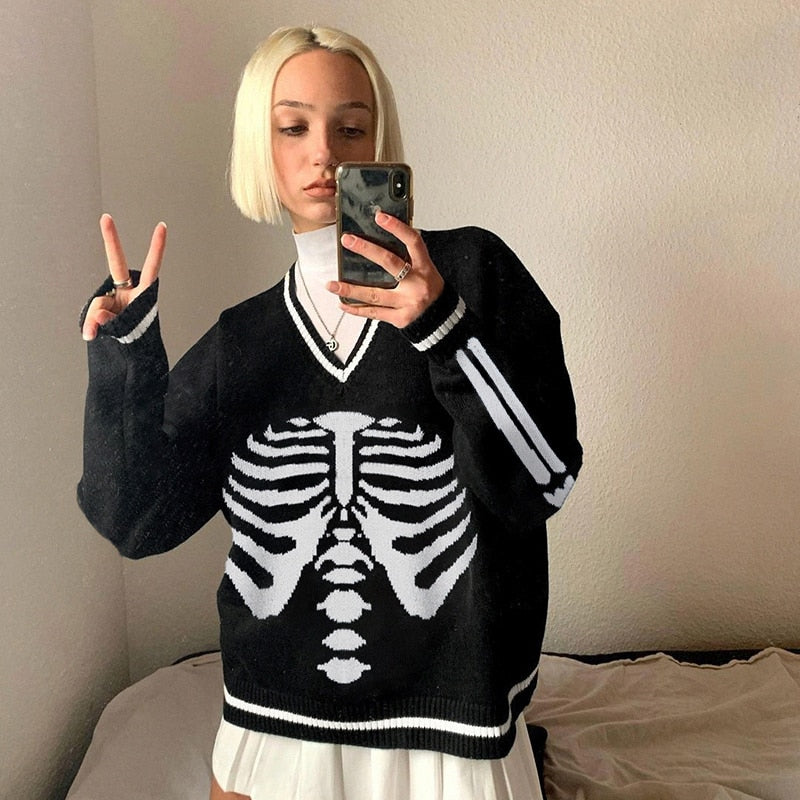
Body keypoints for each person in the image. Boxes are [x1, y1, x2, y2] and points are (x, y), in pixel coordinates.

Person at [78, 25, 582, 800]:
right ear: (262, 147)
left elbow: (542, 480)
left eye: (350, 128)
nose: (324, 153)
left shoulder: (472, 271)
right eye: (294, 128)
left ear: (380, 142)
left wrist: (443, 326)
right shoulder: (244, 341)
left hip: (453, 725)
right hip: (274, 721)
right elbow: (135, 518)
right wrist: (125, 358)